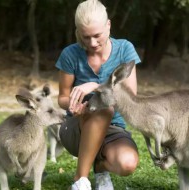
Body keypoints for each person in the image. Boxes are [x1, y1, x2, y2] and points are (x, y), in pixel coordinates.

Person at [55, 0, 141, 189]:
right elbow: (62, 97)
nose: (92, 43)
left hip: (114, 129)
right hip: (77, 126)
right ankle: (80, 180)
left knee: (127, 163)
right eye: (85, 37)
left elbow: (130, 99)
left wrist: (95, 86)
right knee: (103, 109)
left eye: (97, 35)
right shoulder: (70, 54)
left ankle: (100, 167)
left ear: (108, 26)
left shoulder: (125, 50)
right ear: (77, 31)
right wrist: (73, 105)